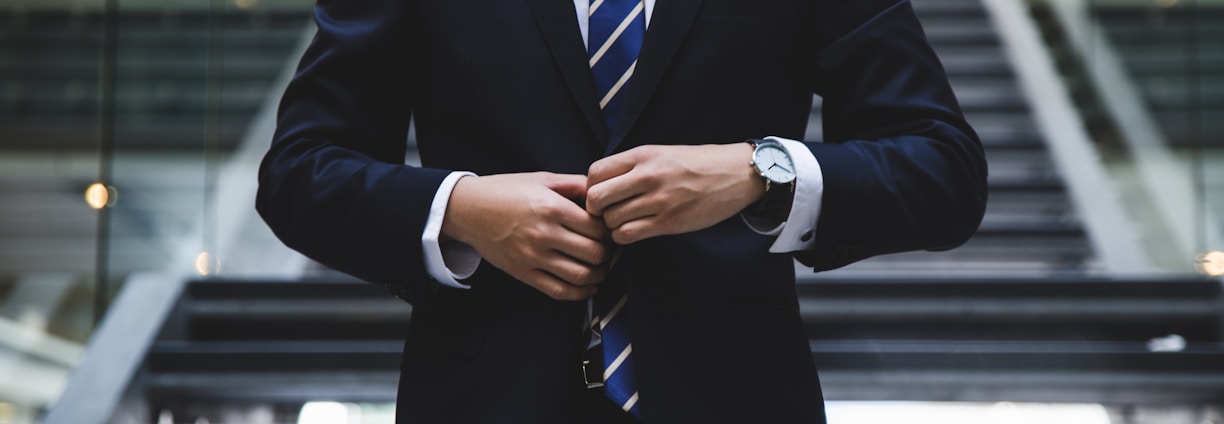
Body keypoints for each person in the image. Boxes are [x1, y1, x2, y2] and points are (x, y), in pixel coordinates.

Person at [256, 0, 987, 422]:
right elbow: (299, 171)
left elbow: (944, 167)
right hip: (486, 401)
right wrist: (460, 208)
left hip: (735, 398)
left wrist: (759, 170)